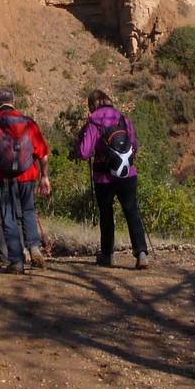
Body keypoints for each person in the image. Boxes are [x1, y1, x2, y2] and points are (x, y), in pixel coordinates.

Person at [0, 86, 51, 274]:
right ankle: (34, 248)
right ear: (14, 102)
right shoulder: (28, 123)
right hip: (27, 177)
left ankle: (16, 261)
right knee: (28, 211)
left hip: (2, 179)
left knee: (8, 216)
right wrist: (45, 176)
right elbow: (43, 153)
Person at [77, 89, 149, 269]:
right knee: (132, 211)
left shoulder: (94, 123)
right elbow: (134, 146)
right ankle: (141, 253)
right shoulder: (123, 119)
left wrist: (83, 133)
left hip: (103, 177)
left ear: (92, 105)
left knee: (106, 214)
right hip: (128, 173)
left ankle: (107, 255)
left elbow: (84, 153)